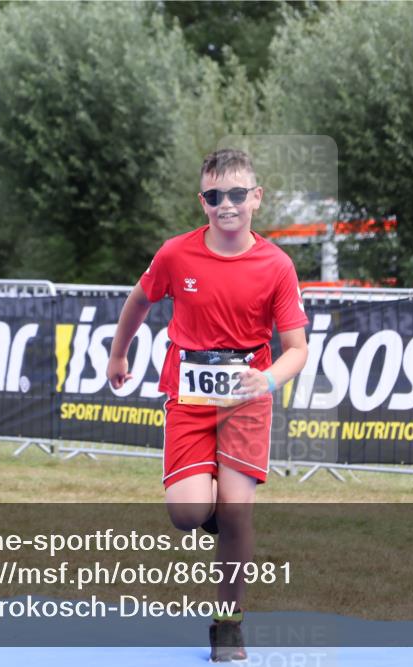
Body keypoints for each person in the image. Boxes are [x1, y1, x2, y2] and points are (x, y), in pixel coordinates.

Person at [107, 148, 309, 662]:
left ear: (256, 198)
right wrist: (119, 354)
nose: (227, 205)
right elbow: (138, 300)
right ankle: (213, 509)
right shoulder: (176, 255)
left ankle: (228, 624)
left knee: (236, 511)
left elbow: (298, 350)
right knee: (188, 511)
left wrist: (265, 379)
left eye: (237, 194)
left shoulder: (277, 265)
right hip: (189, 397)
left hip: (245, 400)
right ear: (203, 202)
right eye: (215, 196)